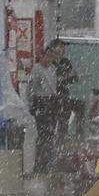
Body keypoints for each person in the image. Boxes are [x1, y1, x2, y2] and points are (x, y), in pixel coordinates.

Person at [28, 41, 62, 173]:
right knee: (43, 134)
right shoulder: (37, 69)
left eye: (52, 57)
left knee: (51, 133)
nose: (49, 59)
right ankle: (40, 164)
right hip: (41, 102)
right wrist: (32, 104)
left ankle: (48, 163)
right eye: (48, 56)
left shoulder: (53, 69)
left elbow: (54, 86)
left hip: (51, 101)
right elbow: (31, 88)